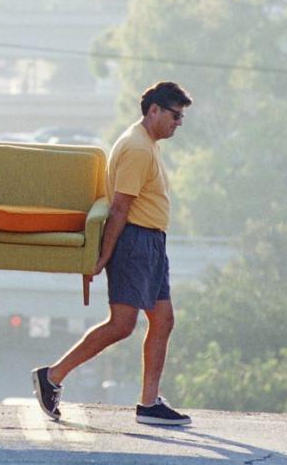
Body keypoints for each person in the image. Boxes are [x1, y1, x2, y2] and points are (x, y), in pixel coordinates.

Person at [31, 81, 194, 426]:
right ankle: (52, 376)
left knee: (163, 320)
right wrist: (104, 256)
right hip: (133, 243)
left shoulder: (147, 143)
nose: (179, 122)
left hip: (150, 243)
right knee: (122, 325)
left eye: (181, 117)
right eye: (175, 115)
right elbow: (120, 208)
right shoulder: (137, 147)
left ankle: (149, 403)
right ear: (154, 111)